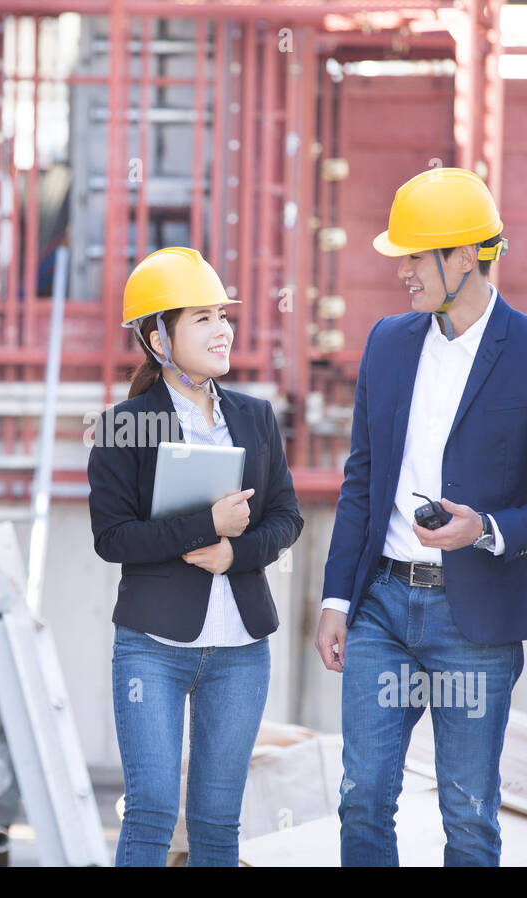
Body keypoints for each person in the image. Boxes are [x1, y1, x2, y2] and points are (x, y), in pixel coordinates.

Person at [314, 168, 527, 866]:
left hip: (476, 621)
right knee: (362, 797)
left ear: (465, 256)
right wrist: (335, 597)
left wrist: (489, 529)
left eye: (416, 256)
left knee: (468, 816)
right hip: (380, 605)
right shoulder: (387, 341)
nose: (403, 272)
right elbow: (362, 479)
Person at [87, 246, 304, 866]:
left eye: (222, 315)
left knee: (215, 823)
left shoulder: (256, 418)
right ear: (158, 337)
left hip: (241, 650)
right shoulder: (122, 426)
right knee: (152, 810)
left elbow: (288, 518)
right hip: (152, 647)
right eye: (202, 318)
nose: (222, 330)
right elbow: (113, 538)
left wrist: (233, 551)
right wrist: (200, 526)